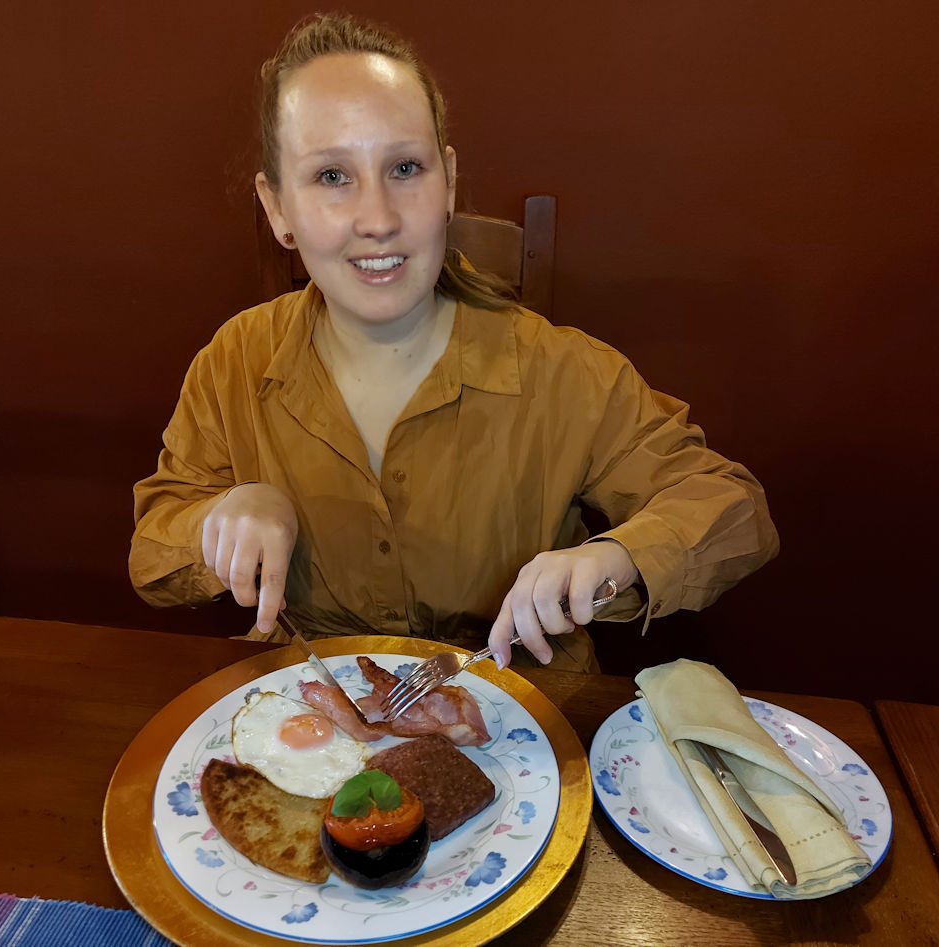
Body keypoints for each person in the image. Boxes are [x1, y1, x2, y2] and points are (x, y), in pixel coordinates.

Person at [129, 13, 779, 673]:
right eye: (331, 176)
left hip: (523, 724)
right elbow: (153, 552)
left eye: (405, 167)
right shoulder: (234, 360)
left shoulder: (565, 371)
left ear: (448, 181)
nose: (378, 219)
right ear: (277, 209)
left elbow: (732, 506)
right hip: (311, 719)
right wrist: (225, 515)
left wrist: (614, 557)